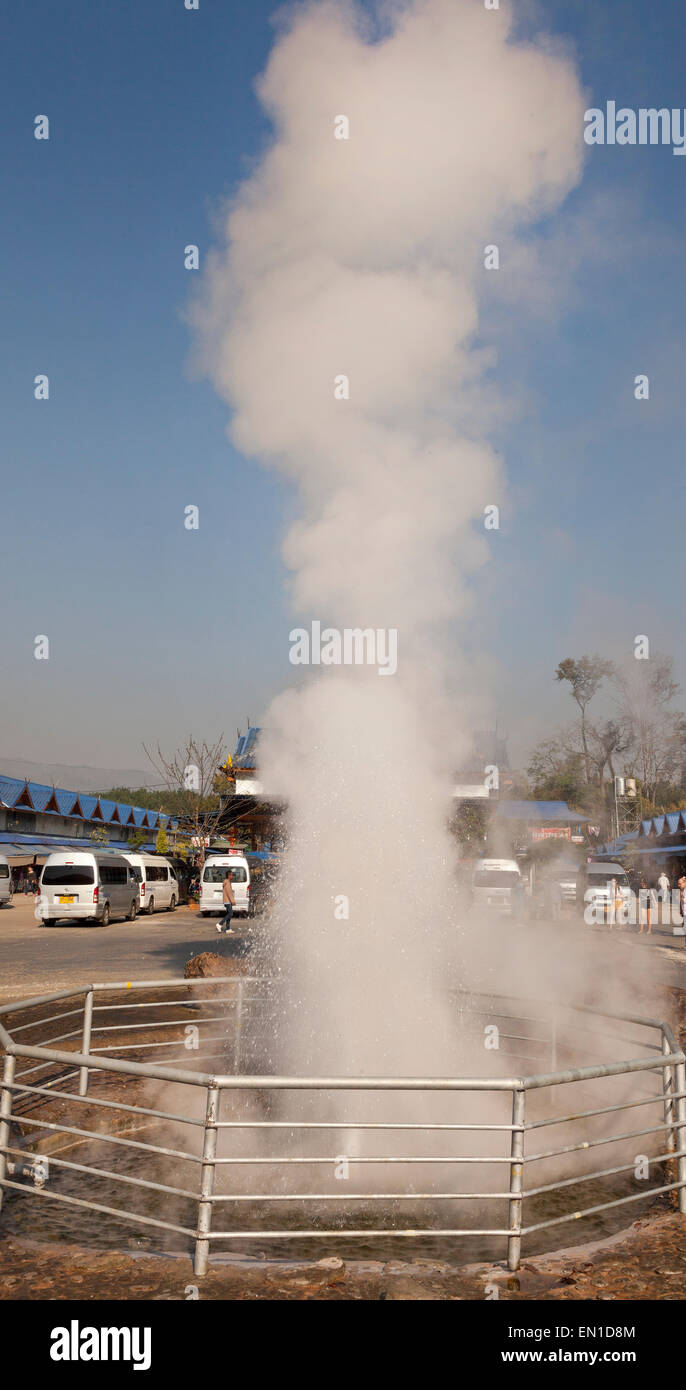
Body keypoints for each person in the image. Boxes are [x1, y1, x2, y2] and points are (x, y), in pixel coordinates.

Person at [216, 869, 236, 935]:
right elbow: (229, 892)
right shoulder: (227, 882)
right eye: (231, 875)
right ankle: (220, 924)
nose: (232, 876)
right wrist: (232, 901)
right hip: (228, 901)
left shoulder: (227, 882)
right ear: (228, 875)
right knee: (230, 914)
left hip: (227, 900)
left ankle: (228, 929)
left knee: (228, 914)